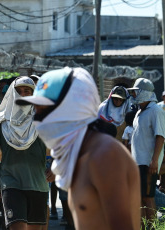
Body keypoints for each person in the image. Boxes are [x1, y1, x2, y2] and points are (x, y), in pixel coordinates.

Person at [16, 67, 140, 230]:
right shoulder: (77, 155)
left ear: (72, 109)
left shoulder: (104, 155)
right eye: (36, 110)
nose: (37, 119)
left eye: (44, 110)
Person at [0, 76, 51, 230]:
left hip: (38, 184)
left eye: (27, 91)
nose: (22, 95)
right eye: (19, 91)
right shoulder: (1, 122)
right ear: (12, 94)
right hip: (11, 183)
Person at [127, 78, 165, 227]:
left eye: (136, 92)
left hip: (148, 163)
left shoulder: (155, 110)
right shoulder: (138, 112)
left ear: (144, 93)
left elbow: (160, 137)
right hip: (137, 163)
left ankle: (153, 227)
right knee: (140, 198)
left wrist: (154, 160)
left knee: (148, 197)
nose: (134, 95)